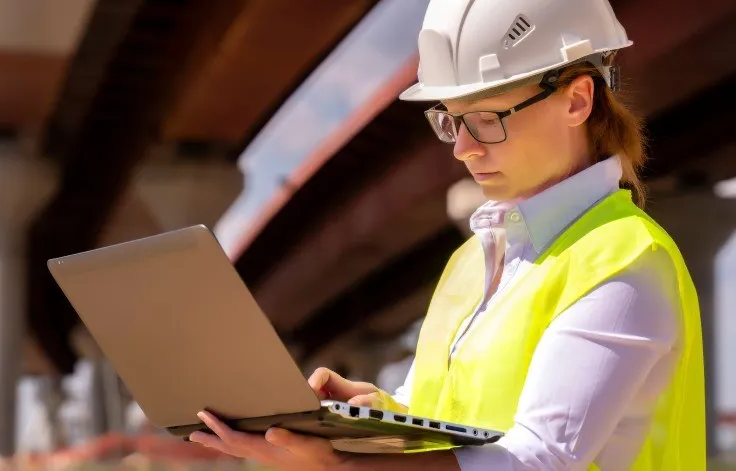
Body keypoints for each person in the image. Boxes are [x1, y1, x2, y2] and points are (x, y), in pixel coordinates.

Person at [188, 0, 706, 469]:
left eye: (485, 119)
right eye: (451, 121)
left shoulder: (628, 262)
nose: (462, 148)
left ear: (577, 101)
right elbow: (449, 427)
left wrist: (339, 466)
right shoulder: (469, 262)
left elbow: (539, 458)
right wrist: (373, 413)